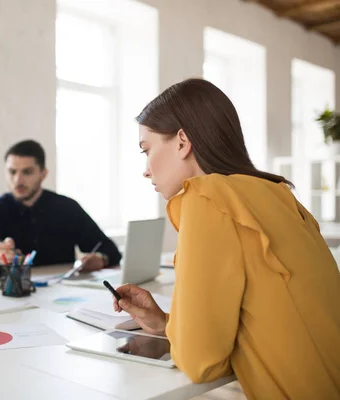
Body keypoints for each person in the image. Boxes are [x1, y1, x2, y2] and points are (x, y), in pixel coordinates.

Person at [112, 78, 340, 399]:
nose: (146, 170)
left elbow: (201, 362)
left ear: (181, 142)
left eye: (147, 150)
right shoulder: (278, 194)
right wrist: (165, 322)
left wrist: (181, 334)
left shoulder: (205, 199)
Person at [0, 140, 121, 276]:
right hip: (11, 292)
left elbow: (110, 250)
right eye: (12, 172)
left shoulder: (67, 208)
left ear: (43, 174)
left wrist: (101, 259)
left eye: (27, 172)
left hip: (62, 292)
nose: (18, 180)